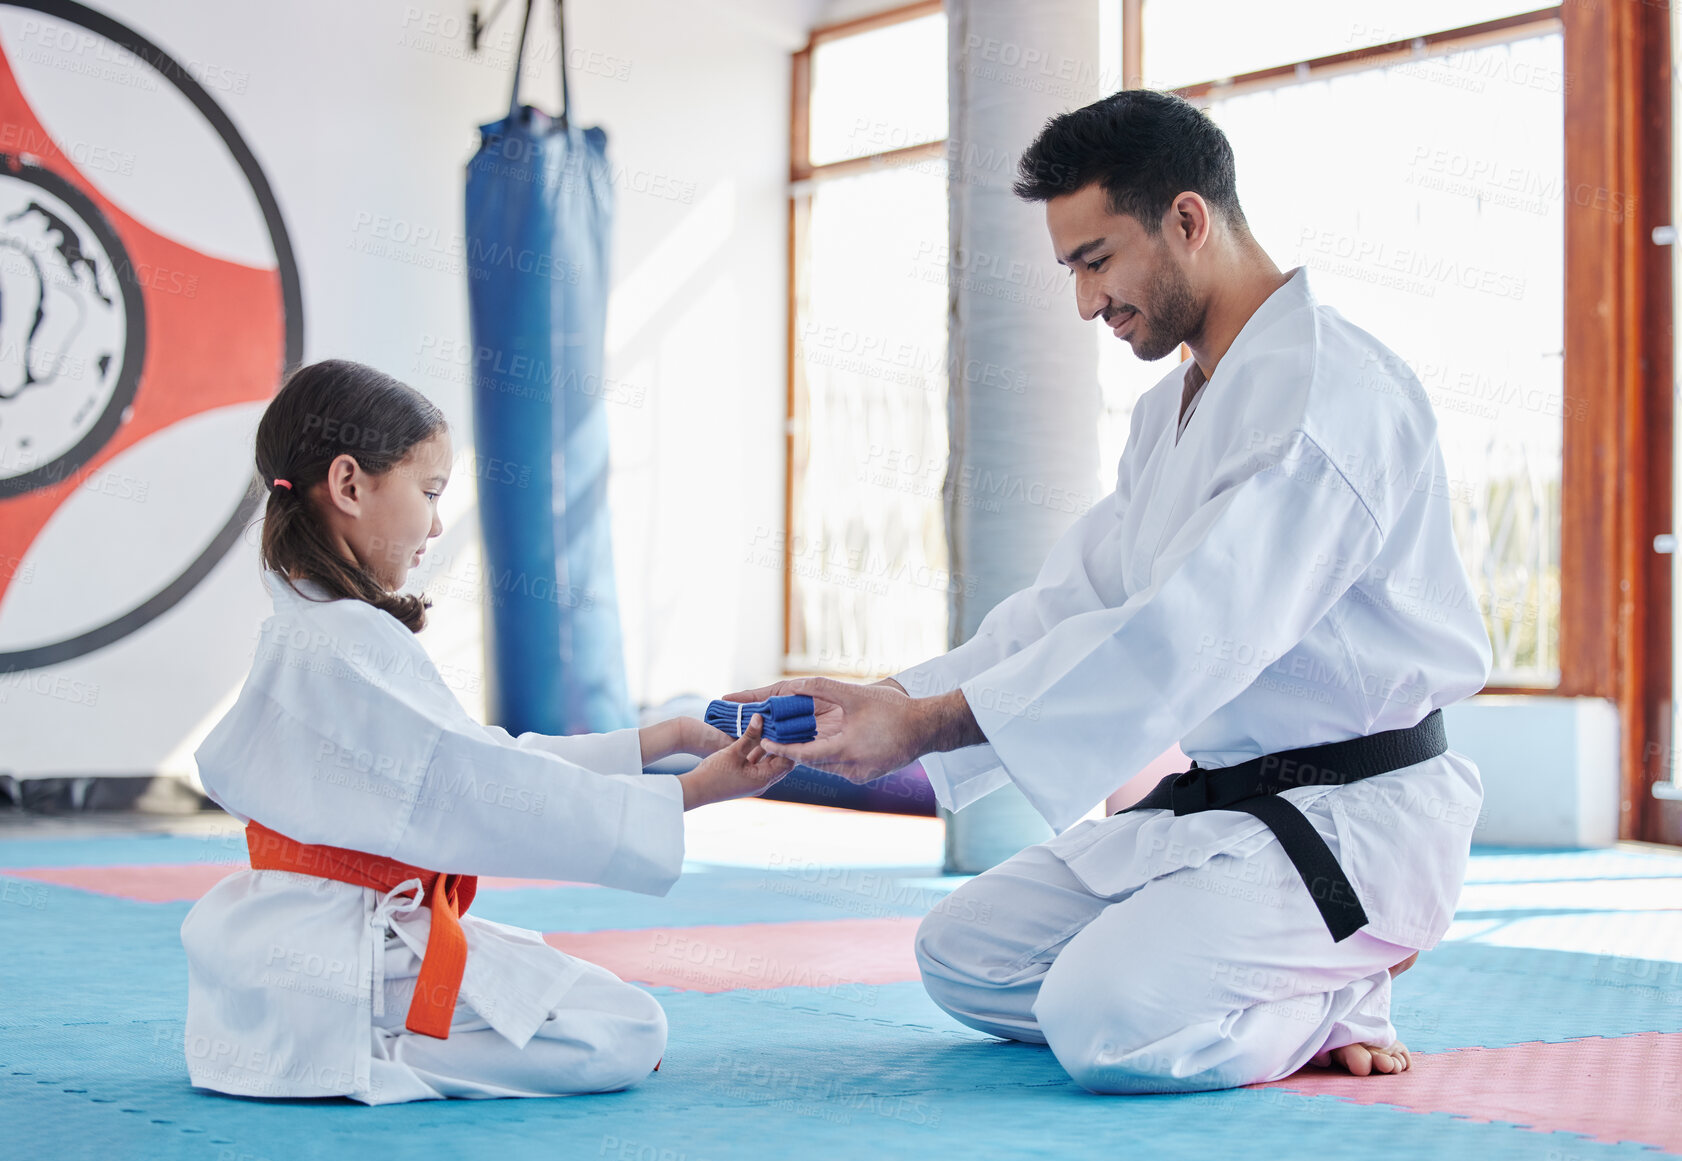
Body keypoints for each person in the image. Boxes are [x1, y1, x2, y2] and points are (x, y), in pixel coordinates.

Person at [729, 90, 1492, 1094]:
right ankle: (1270, 979)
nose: (1085, 302)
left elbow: (1183, 638)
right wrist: (894, 704)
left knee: (1103, 1026)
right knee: (960, 955)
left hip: (1355, 822)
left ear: (1186, 219)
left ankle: (1331, 990)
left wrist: (923, 733)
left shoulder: (1323, 396)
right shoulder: (1171, 411)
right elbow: (1070, 605)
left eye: (1095, 261)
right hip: (1222, 812)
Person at [182, 359, 792, 1105]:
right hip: (334, 963)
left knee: (579, 988)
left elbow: (479, 763)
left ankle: (313, 1036)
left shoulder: (313, 630)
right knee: (624, 1029)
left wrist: (656, 743)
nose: (438, 524)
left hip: (292, 946)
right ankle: (352, 1048)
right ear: (348, 485)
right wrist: (694, 794)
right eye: (430, 493)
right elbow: (482, 789)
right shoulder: (346, 641)